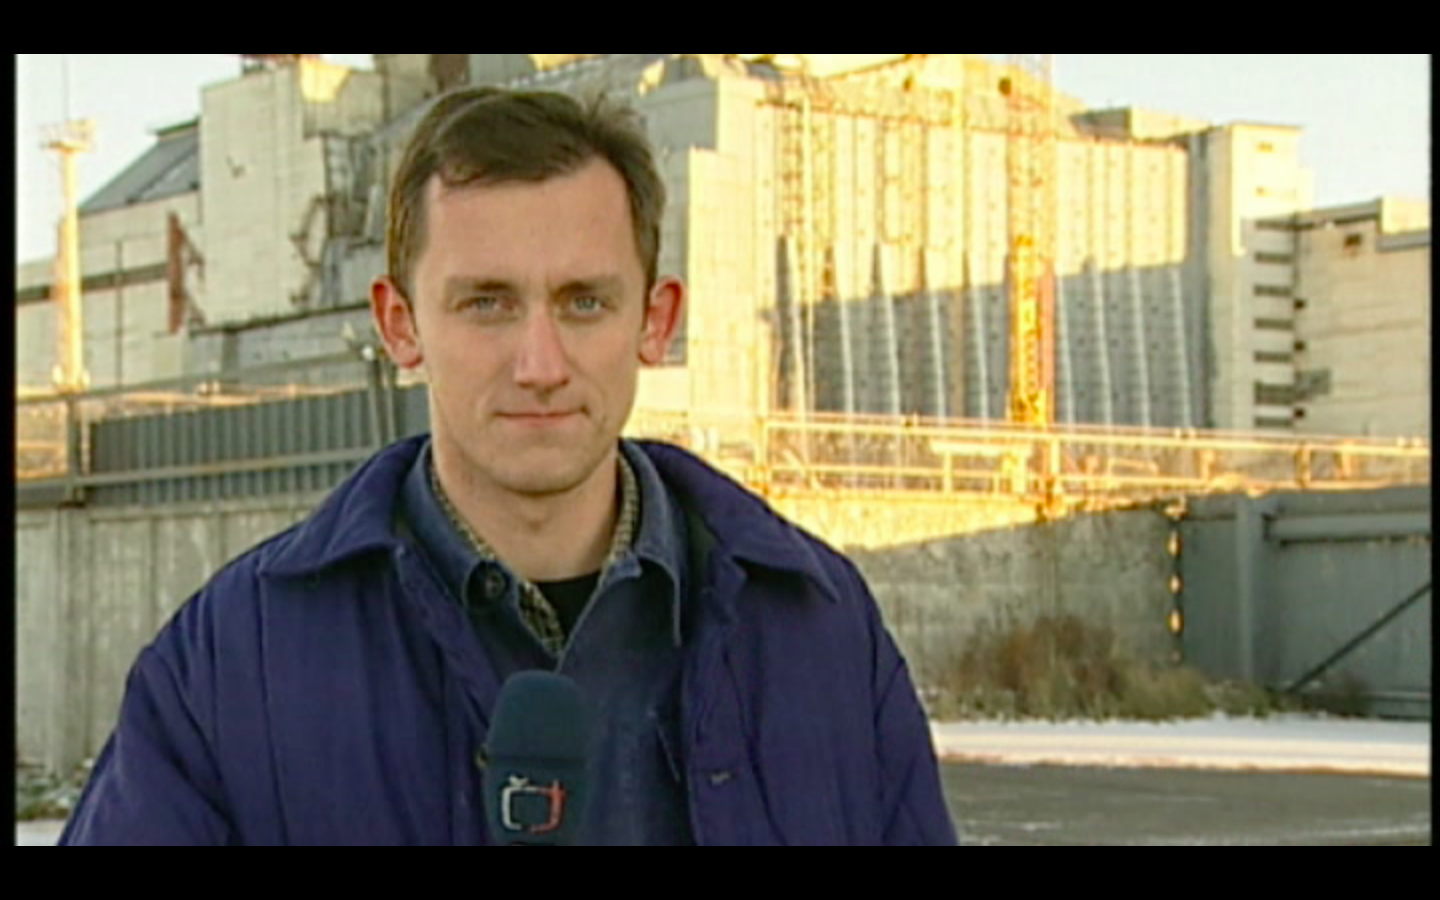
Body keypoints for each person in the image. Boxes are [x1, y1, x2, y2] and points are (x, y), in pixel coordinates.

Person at [60, 86, 958, 846]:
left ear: (655, 321)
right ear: (401, 325)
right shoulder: (231, 667)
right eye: (486, 303)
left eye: (583, 302)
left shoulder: (819, 633)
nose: (539, 363)